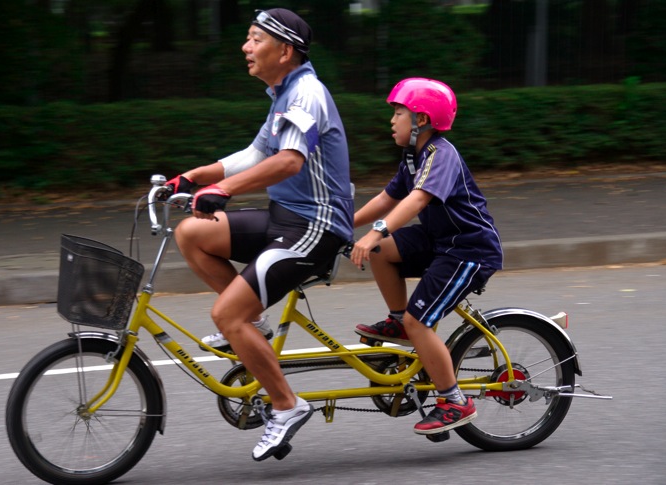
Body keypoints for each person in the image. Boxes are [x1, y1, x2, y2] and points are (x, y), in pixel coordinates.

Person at [165, 8, 353, 461]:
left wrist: (223, 191)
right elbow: (256, 154)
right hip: (284, 217)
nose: (246, 47)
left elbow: (289, 160)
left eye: (255, 39)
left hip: (315, 227)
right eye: (248, 39)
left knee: (226, 315)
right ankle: (254, 324)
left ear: (284, 50)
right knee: (192, 234)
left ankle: (286, 405)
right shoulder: (283, 93)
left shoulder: (305, 92)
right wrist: (193, 177)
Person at [349, 78, 503, 436]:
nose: (392, 120)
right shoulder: (412, 156)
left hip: (469, 249)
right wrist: (342, 225)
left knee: (421, 321)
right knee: (379, 251)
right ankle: (397, 319)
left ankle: (454, 400)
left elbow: (417, 201)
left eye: (398, 113)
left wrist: (376, 230)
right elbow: (389, 198)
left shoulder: (441, 154)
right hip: (438, 240)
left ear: (421, 120)